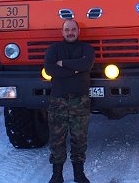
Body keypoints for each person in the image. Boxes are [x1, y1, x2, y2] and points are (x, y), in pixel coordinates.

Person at [44, 19, 95, 183]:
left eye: (73, 29)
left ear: (78, 31)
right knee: (56, 139)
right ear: (62, 32)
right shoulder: (54, 49)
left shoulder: (86, 49)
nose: (70, 32)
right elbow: (50, 69)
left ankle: (79, 175)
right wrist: (75, 70)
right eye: (67, 29)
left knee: (79, 139)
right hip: (58, 101)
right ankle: (57, 176)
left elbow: (86, 64)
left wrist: (64, 65)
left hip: (80, 102)